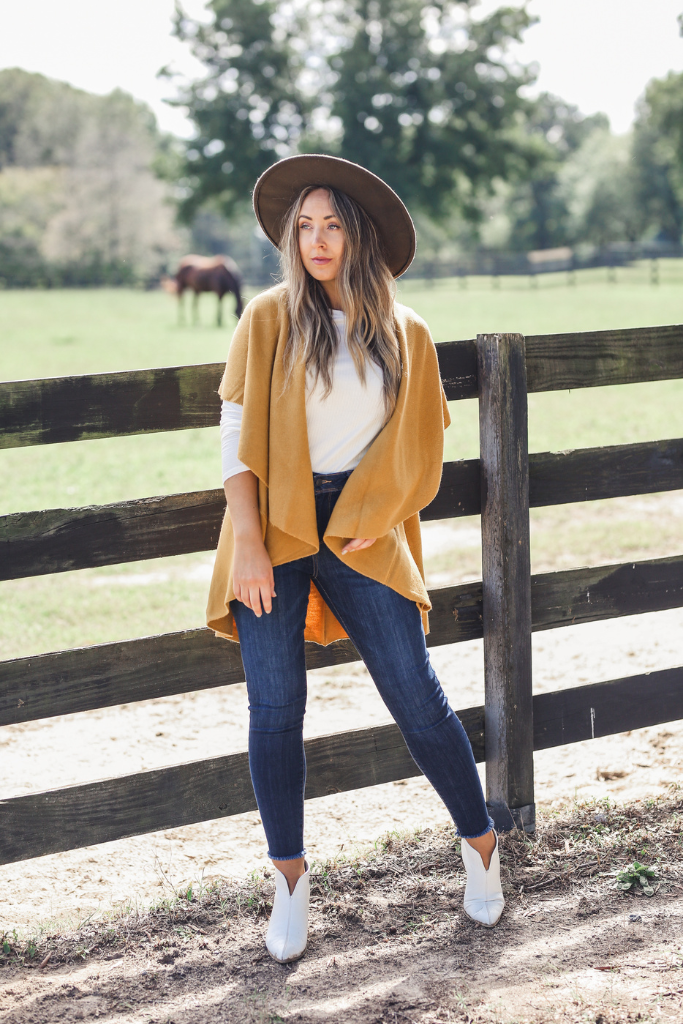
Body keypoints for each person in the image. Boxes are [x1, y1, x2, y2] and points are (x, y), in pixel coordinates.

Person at [207, 154, 504, 964]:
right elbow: (233, 436)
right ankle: (290, 883)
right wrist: (249, 545)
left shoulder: (403, 330)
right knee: (273, 709)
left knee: (415, 695)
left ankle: (479, 846)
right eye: (303, 226)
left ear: (359, 233)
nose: (316, 239)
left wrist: (382, 510)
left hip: (364, 530)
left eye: (331, 223)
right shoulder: (267, 317)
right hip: (273, 522)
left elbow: (417, 441)